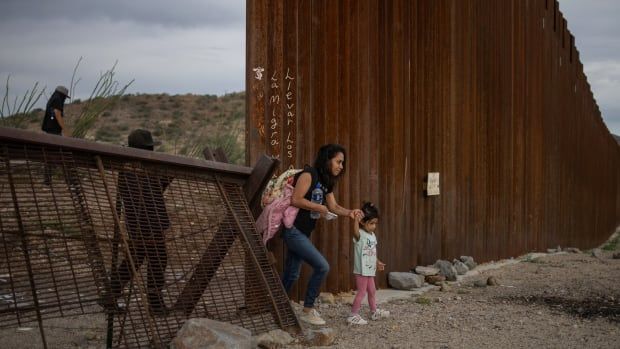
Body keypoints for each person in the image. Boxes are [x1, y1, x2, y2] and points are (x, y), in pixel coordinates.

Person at [282, 144, 363, 325]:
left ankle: (277, 306)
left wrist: (350, 212)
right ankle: (308, 310)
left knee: (292, 274)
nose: (341, 166)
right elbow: (296, 199)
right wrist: (318, 207)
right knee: (322, 266)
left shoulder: (326, 182)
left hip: (302, 232)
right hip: (292, 230)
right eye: (338, 162)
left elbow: (333, 207)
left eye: (343, 163)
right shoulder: (308, 174)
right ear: (327, 159)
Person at [109, 129, 172, 315]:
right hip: (147, 223)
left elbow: (154, 190)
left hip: (143, 223)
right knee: (157, 259)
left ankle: (111, 294)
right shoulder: (134, 169)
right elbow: (145, 196)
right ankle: (155, 302)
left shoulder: (137, 168)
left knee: (135, 259)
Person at [347, 202, 390, 325]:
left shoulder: (372, 235)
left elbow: (372, 252)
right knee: (361, 292)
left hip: (370, 269)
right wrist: (355, 220)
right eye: (371, 223)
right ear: (362, 222)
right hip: (361, 270)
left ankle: (374, 311)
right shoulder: (360, 235)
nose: (374, 226)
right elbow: (355, 231)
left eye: (375, 223)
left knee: (372, 291)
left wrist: (377, 262)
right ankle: (353, 315)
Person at [41, 85, 70, 185]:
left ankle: (47, 181)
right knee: (61, 155)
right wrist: (65, 131)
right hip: (54, 132)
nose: (65, 99)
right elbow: (57, 115)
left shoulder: (53, 99)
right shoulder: (58, 99)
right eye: (65, 97)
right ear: (63, 95)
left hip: (50, 131)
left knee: (50, 156)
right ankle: (69, 180)